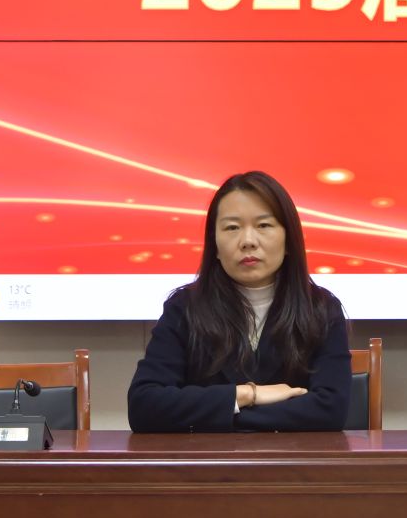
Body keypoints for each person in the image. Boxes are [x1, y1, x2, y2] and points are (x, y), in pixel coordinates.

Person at [127, 170, 352, 432]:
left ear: (289, 240)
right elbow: (144, 406)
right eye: (232, 228)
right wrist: (246, 394)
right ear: (214, 244)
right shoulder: (185, 308)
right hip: (209, 458)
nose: (247, 241)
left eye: (263, 225)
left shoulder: (321, 309)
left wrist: (222, 415)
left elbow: (331, 410)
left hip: (292, 458)